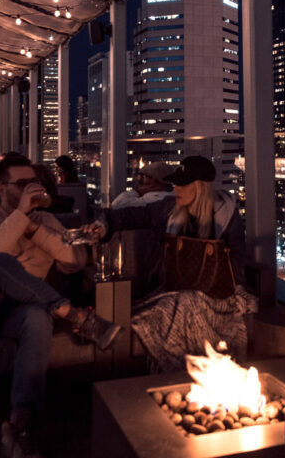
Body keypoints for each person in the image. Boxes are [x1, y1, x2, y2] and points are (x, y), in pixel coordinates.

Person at [0, 153, 120, 456]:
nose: (33, 188)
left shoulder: (46, 220)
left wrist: (34, 229)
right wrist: (20, 217)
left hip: (16, 315)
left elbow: (76, 260)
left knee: (38, 317)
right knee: (0, 262)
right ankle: (74, 314)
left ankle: (22, 423)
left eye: (35, 182)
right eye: (23, 183)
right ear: (2, 188)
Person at [92, 156, 256, 372]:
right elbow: (126, 216)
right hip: (174, 289)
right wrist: (102, 225)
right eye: (175, 182)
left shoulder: (226, 214)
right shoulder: (168, 209)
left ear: (199, 187)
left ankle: (184, 371)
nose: (176, 188)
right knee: (179, 303)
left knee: (187, 302)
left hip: (219, 293)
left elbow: (236, 261)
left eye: (182, 184)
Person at [109, 162, 176, 299]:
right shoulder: (172, 198)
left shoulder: (153, 199)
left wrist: (137, 192)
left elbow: (117, 206)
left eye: (142, 178)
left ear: (153, 180)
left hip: (144, 261)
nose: (140, 182)